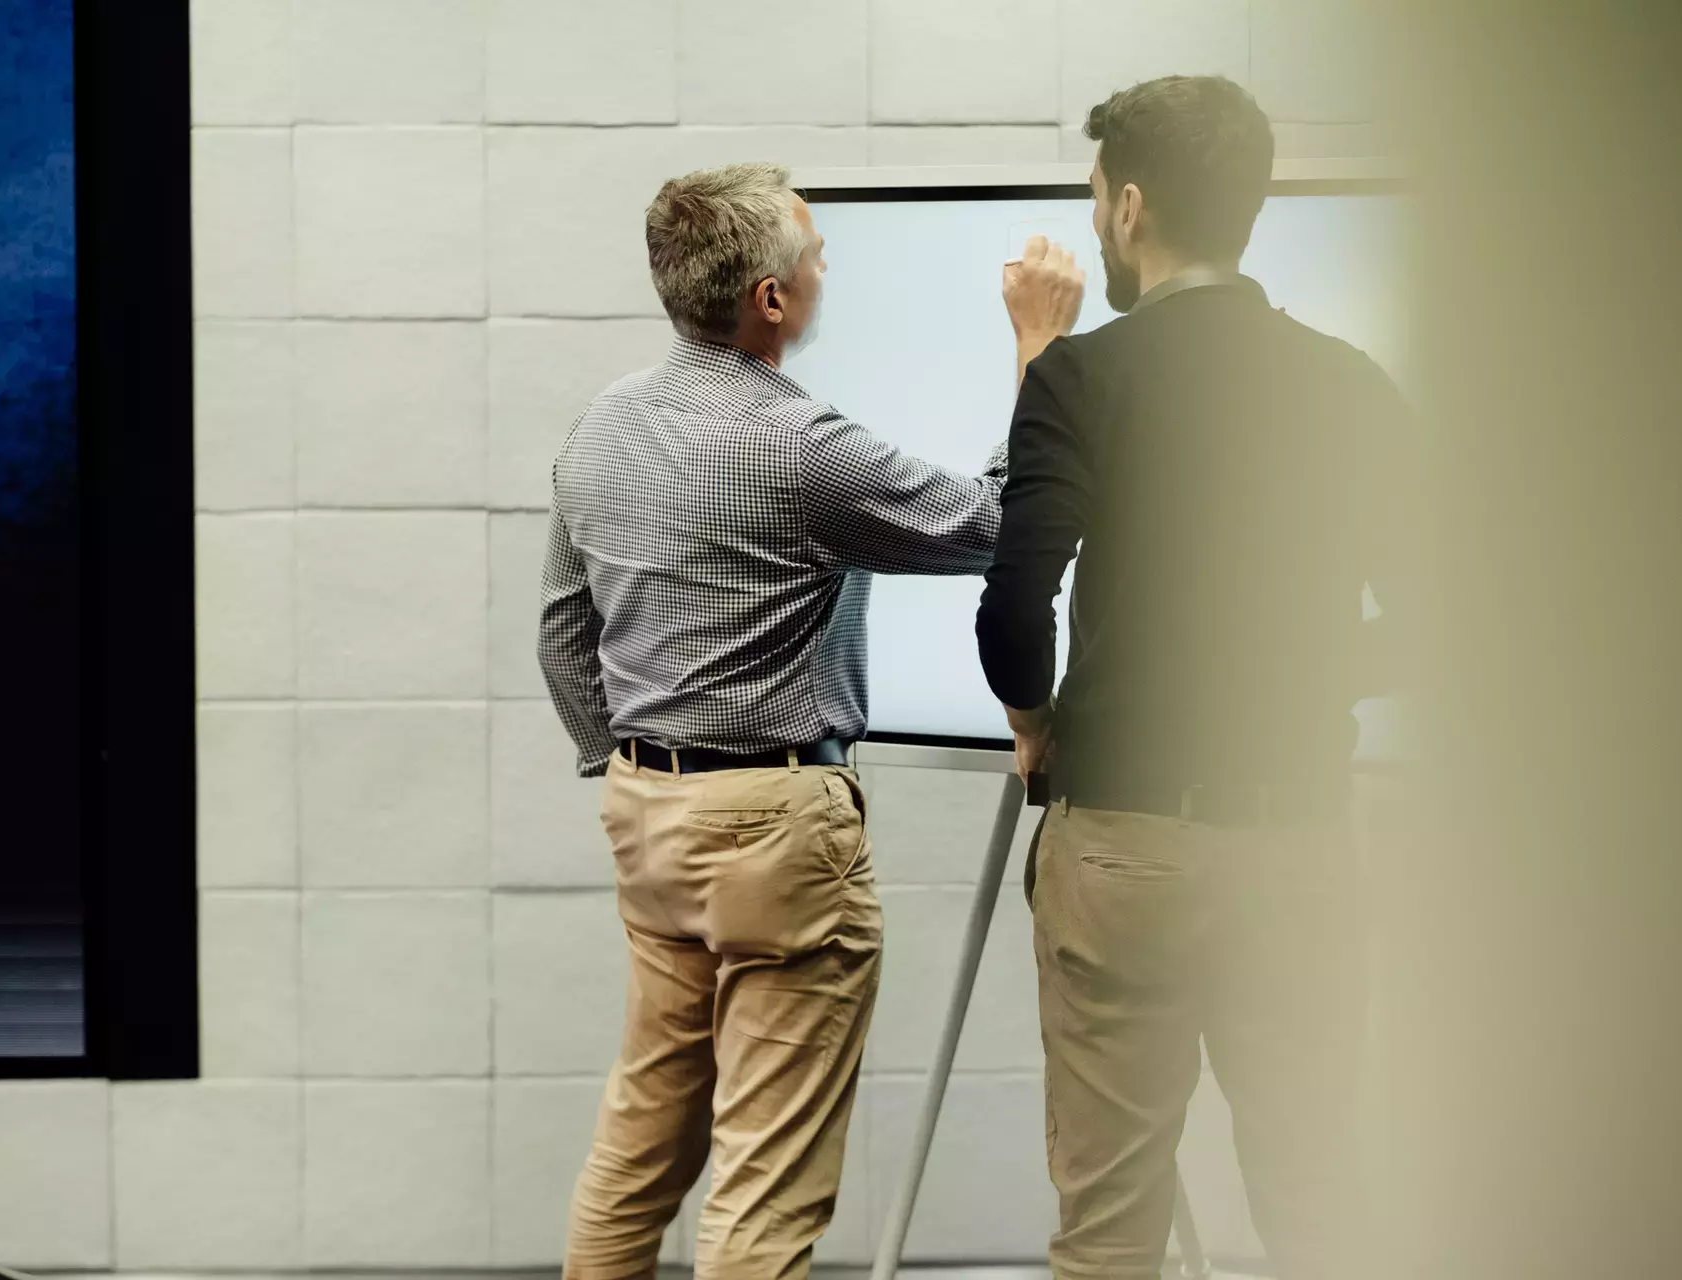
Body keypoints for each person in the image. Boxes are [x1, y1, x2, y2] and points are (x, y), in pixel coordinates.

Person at [540, 162, 1083, 1280]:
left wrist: (634, 769)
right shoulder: (800, 446)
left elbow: (561, 632)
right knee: (766, 1183)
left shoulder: (601, 428)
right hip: (778, 831)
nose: (827, 269)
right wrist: (1039, 349)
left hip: (648, 817)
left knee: (637, 1149)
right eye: (817, 256)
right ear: (771, 299)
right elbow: (995, 525)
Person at [976, 76, 1412, 1279]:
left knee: (1109, 1228)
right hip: (1300, 846)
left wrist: (1035, 723)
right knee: (1317, 1204)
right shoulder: (1347, 380)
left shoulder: (1079, 376)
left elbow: (1015, 607)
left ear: (1129, 206)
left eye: (1096, 198)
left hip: (1126, 846)